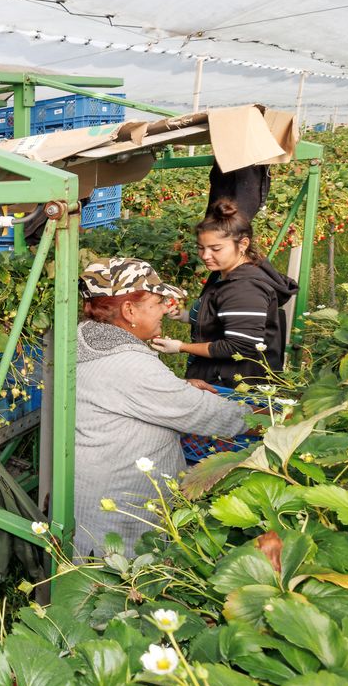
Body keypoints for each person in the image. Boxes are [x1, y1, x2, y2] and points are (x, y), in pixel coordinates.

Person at [76, 257, 250, 557]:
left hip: (92, 494)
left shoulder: (84, 339)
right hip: (122, 512)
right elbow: (206, 413)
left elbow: (123, 396)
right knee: (127, 586)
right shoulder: (130, 365)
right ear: (130, 310)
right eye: (157, 301)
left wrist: (177, 389)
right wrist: (275, 417)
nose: (165, 309)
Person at [151, 200, 298, 387]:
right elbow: (227, 318)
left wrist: (181, 347)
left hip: (236, 385)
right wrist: (187, 317)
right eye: (201, 247)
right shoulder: (225, 275)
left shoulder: (245, 288)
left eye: (216, 248)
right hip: (222, 378)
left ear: (243, 244)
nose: (205, 256)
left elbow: (240, 346)